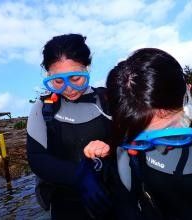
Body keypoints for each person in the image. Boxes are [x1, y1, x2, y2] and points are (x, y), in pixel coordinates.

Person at [84, 48, 192, 220]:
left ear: (187, 91)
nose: (162, 148)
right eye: (143, 139)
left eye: (172, 129)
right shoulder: (127, 154)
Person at [26, 34, 113, 220]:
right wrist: (79, 175)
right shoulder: (43, 109)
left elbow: (130, 141)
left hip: (113, 197)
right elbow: (36, 158)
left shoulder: (107, 101)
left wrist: (111, 148)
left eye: (76, 78)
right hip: (66, 205)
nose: (69, 88)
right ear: (48, 76)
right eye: (58, 81)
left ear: (87, 69)